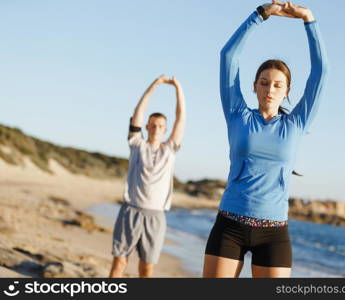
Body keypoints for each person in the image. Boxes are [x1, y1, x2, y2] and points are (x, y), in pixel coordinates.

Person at [203, 1, 328, 278]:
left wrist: (309, 20)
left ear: (287, 91)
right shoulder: (237, 114)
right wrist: (259, 15)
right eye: (263, 82)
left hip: (274, 233)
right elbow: (228, 56)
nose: (270, 89)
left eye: (277, 84)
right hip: (230, 227)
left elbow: (320, 73)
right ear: (254, 86)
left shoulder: (297, 122)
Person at [109, 75, 186, 278]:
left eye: (160, 126)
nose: (155, 128)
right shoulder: (137, 144)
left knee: (147, 268)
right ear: (146, 127)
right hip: (130, 211)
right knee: (119, 262)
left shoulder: (170, 149)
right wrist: (156, 84)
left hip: (156, 216)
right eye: (152, 125)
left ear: (165, 130)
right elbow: (139, 111)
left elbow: (181, 117)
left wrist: (178, 88)